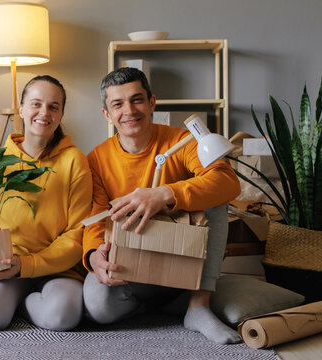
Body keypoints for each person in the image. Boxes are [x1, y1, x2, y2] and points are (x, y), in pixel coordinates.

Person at [82, 67, 242, 344]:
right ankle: (163, 308)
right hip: (134, 268)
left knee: (216, 200)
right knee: (98, 307)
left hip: (183, 260)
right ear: (107, 114)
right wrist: (94, 255)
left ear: (152, 102)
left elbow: (228, 183)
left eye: (137, 99)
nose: (129, 110)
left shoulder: (181, 142)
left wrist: (163, 194)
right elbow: (95, 217)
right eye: (117, 104)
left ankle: (199, 305)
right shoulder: (96, 158)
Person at [0, 75, 92, 333]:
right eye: (36, 104)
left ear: (62, 114)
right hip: (7, 265)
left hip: (59, 269)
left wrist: (27, 266)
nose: (44, 112)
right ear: (21, 108)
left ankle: (15, 305)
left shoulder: (75, 160)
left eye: (54, 106)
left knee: (62, 318)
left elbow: (78, 234)